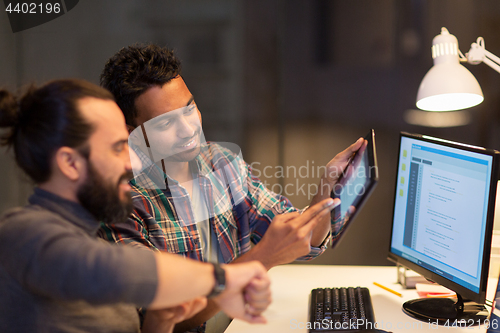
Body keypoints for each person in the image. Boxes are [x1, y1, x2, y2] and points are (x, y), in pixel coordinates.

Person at [99, 44, 363, 333]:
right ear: (130, 133)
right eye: (165, 124)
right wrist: (262, 258)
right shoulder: (120, 205)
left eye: (189, 109)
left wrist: (328, 186)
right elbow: (160, 319)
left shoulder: (220, 162)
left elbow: (302, 239)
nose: (188, 130)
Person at [0, 79, 272, 333]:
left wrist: (159, 322)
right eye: (118, 147)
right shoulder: (20, 235)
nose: (134, 163)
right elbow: (115, 268)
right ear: (70, 164)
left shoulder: (86, 234)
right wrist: (223, 279)